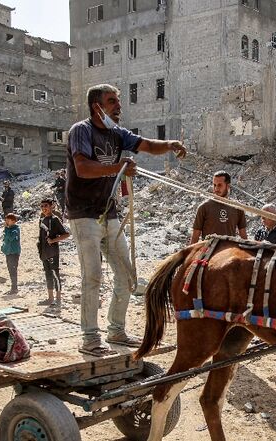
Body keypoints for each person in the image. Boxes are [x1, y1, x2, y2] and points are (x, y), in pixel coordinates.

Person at [66, 83, 186, 355]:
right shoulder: (81, 131)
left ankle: (116, 330)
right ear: (97, 107)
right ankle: (90, 338)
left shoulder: (117, 134)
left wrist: (169, 145)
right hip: (84, 213)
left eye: (118, 101)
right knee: (92, 276)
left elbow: (145, 144)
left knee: (126, 274)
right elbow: (83, 168)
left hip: (109, 212)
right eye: (112, 102)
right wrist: (119, 167)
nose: (119, 106)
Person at [190, 171, 247, 244]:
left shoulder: (237, 208)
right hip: (209, 252)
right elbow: (195, 237)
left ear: (228, 186)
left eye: (220, 185)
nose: (216, 188)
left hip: (229, 251)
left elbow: (244, 237)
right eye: (214, 185)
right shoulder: (204, 207)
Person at [38, 198, 69, 305]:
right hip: (44, 252)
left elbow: (65, 234)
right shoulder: (42, 220)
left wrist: (53, 240)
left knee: (55, 273)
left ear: (51, 206)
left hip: (53, 252)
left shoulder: (55, 219)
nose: (43, 208)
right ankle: (50, 298)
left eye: (46, 206)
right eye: (42, 206)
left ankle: (58, 298)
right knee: (48, 274)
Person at [1, 213, 21, 295]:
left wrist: (6, 228)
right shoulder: (8, 229)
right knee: (10, 270)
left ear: (13, 221)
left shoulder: (15, 229)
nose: (6, 222)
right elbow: (5, 240)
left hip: (14, 252)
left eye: (8, 220)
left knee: (13, 270)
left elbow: (10, 238)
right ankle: (13, 287)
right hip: (8, 252)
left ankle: (14, 288)